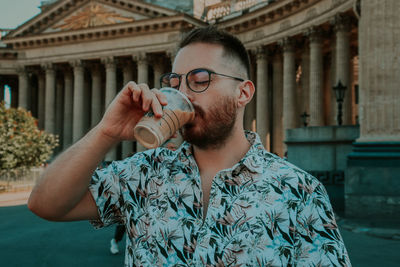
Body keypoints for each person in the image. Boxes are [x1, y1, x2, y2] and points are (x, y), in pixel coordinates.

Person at [28, 26, 351, 266]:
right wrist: (107, 131)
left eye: (199, 79)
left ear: (244, 93)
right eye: (174, 83)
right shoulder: (143, 174)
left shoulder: (299, 190)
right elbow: (46, 205)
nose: (183, 94)